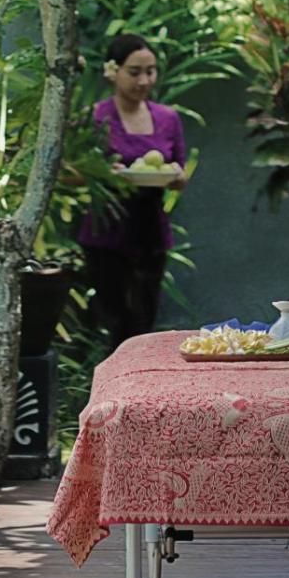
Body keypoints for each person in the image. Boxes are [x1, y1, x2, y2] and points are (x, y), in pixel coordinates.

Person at [78, 34, 188, 351]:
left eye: (150, 71)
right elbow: (71, 173)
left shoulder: (167, 118)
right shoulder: (94, 117)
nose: (144, 80)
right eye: (134, 72)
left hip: (150, 230)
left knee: (144, 321)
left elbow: (179, 176)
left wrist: (175, 175)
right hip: (106, 232)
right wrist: (103, 173)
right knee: (117, 321)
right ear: (113, 72)